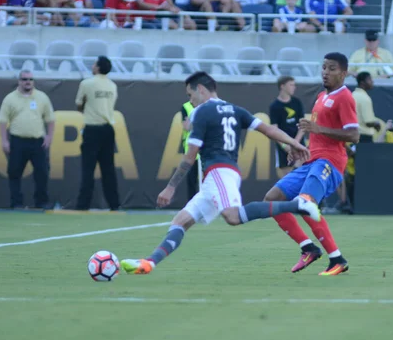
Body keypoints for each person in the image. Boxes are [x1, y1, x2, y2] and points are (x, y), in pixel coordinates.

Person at [120, 72, 319, 275]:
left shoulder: (202, 112)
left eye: (190, 95)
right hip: (216, 178)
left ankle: (298, 205)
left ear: (201, 89)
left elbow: (189, 157)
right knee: (180, 221)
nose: (190, 101)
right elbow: (267, 129)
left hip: (218, 173)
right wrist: (294, 143)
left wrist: (170, 187)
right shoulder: (235, 109)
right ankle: (149, 263)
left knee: (232, 216)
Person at [264, 52, 359, 276]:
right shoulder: (321, 96)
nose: (325, 72)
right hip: (312, 161)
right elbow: (316, 136)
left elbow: (354, 135)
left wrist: (319, 129)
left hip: (330, 162)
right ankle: (308, 248)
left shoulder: (344, 97)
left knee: (305, 203)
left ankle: (337, 259)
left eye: (332, 68)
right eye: (324, 67)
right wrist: (300, 150)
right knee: (272, 200)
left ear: (343, 74)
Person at [0, 70, 55, 209]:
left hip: (37, 141)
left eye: (30, 79)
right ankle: (16, 203)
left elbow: (50, 119)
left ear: (33, 81)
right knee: (14, 172)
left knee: (42, 173)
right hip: (18, 140)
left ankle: (41, 202)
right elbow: (3, 121)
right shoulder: (10, 98)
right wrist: (4, 140)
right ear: (19, 81)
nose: (27, 82)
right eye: (24, 79)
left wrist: (49, 136)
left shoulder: (42, 97)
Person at [74, 56, 120, 211]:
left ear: (98, 68)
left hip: (92, 129)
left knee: (88, 169)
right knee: (108, 169)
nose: (92, 66)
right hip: (108, 129)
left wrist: (88, 108)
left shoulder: (86, 83)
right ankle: (115, 205)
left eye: (94, 64)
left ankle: (83, 205)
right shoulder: (112, 85)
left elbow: (79, 105)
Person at [269, 76, 305, 178]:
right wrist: (285, 146)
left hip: (298, 144)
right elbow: (274, 130)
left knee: (300, 176)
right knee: (288, 180)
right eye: (291, 85)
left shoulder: (297, 102)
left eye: (294, 85)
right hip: (284, 147)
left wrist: (295, 143)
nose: (294, 87)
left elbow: (303, 126)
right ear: (282, 86)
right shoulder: (275, 106)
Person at [352, 71, 380, 143]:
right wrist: (377, 124)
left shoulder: (352, 95)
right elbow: (368, 122)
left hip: (352, 135)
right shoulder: (365, 98)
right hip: (364, 137)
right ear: (362, 83)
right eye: (369, 79)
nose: (372, 81)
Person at [180, 100, 199, 202]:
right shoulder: (186, 106)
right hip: (191, 151)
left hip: (206, 152)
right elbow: (186, 127)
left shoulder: (208, 105)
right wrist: (202, 124)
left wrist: (193, 123)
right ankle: (191, 208)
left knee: (208, 182)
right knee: (192, 181)